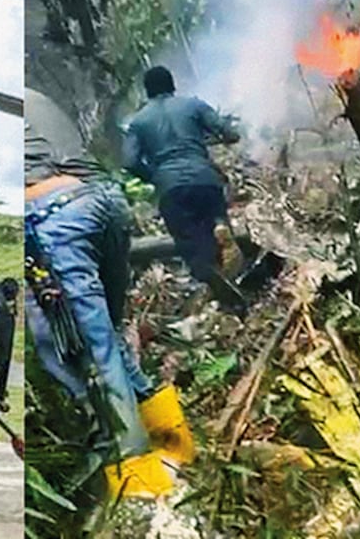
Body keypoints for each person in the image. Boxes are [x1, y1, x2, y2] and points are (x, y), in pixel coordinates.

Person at [24, 89, 179, 499]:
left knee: (76, 351)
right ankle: (177, 447)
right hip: (105, 202)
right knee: (107, 336)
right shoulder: (35, 98)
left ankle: (143, 489)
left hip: (52, 216)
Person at [121, 66, 245, 314]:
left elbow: (129, 162)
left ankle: (213, 279)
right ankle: (220, 227)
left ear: (147, 91)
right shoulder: (193, 105)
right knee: (213, 226)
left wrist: (155, 176)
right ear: (172, 85)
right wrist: (211, 139)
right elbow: (229, 133)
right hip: (205, 180)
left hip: (171, 189)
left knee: (192, 245)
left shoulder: (138, 121)